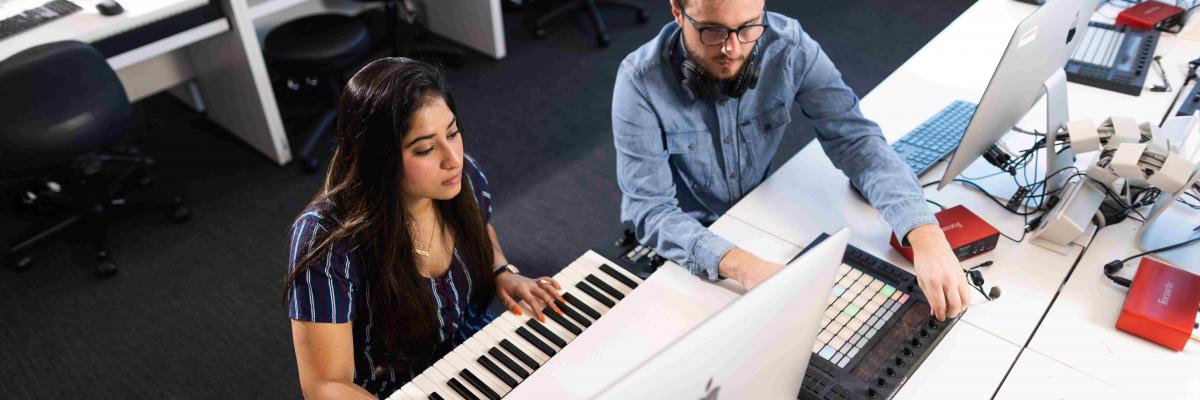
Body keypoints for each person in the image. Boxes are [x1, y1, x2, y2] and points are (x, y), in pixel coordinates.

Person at [612, 0, 970, 320]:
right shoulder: (639, 83)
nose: (732, 48)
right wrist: (746, 267)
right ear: (677, 11)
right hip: (685, 243)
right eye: (713, 31)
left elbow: (855, 140)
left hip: (757, 218)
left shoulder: (788, 46)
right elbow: (651, 211)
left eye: (748, 27)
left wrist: (924, 233)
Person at [282, 58, 563, 399]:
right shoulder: (325, 240)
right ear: (379, 158)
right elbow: (324, 385)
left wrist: (502, 271)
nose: (453, 158)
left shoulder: (462, 177)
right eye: (426, 148)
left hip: (476, 356)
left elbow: (480, 228)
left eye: (453, 133)